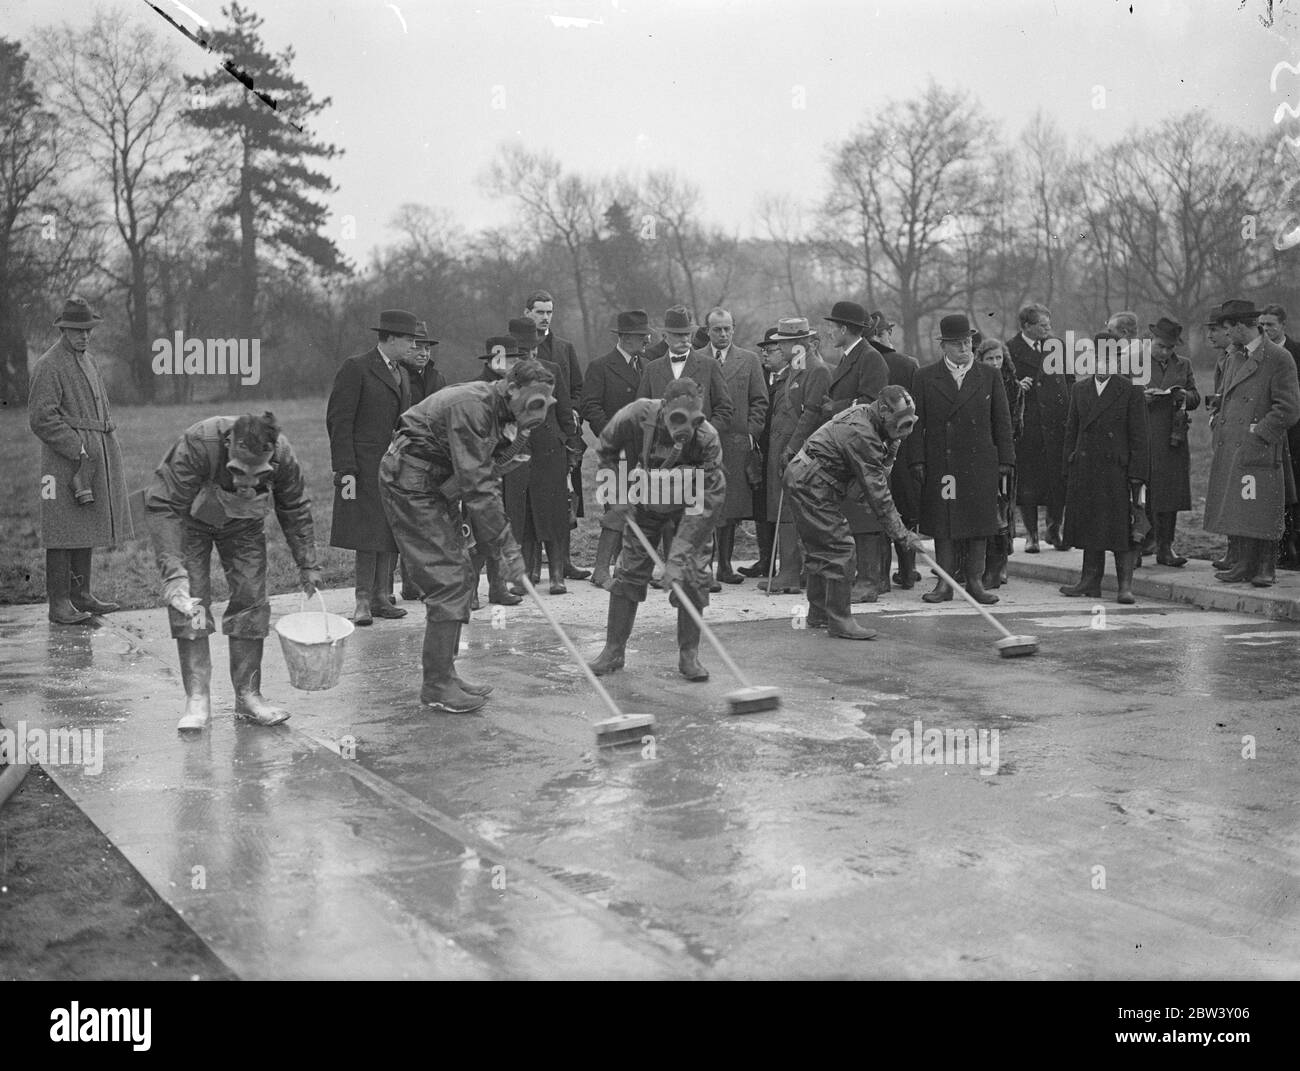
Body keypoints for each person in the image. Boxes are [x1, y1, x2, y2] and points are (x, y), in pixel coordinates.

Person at [379, 359, 554, 712]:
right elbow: (479, 486)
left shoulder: (499, 411)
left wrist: (518, 435)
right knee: (449, 579)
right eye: (535, 401)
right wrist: (509, 551)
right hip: (411, 482)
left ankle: (445, 673)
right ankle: (436, 685)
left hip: (436, 483)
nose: (540, 410)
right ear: (512, 388)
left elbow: (484, 473)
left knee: (459, 571)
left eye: (546, 403)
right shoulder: (472, 406)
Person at [143, 411, 320, 731]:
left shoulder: (282, 455)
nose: (248, 481)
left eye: (258, 474)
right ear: (229, 444)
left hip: (244, 526)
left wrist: (307, 563)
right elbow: (163, 503)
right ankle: (197, 698)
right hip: (191, 525)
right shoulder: (199, 444)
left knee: (252, 599)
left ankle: (249, 696)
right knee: (191, 602)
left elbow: (294, 505)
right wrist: (173, 570)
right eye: (240, 470)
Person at [587, 378, 726, 681]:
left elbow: (706, 505)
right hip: (645, 502)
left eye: (694, 418)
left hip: (690, 506)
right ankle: (613, 651)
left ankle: (689, 655)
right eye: (678, 418)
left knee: (692, 576)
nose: (685, 427)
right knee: (628, 574)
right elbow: (606, 450)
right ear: (664, 408)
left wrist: (677, 560)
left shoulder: (707, 438)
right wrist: (616, 493)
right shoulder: (637, 415)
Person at [784, 387, 925, 640]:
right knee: (840, 549)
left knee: (822, 549)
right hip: (811, 483)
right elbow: (877, 490)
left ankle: (819, 614)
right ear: (883, 410)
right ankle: (840, 621)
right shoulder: (862, 432)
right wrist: (902, 534)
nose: (905, 428)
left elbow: (872, 481)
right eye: (900, 419)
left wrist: (893, 444)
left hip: (809, 478)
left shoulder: (867, 416)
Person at [28, 296, 133, 625]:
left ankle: (80, 595)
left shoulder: (87, 360)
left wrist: (99, 446)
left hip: (91, 453)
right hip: (64, 461)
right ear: (63, 329)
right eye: (77, 330)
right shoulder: (49, 364)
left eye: (88, 329)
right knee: (61, 531)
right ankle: (59, 604)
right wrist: (78, 448)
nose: (84, 336)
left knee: (84, 526)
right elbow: (41, 418)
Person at [907, 315, 1015, 606]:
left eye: (967, 342)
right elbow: (916, 424)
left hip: (980, 463)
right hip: (944, 465)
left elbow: (1002, 421)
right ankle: (945, 583)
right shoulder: (926, 377)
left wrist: (1006, 459)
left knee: (979, 522)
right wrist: (917, 459)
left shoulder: (989, 376)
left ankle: (976, 582)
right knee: (945, 522)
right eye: (957, 343)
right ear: (944, 346)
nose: (964, 348)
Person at [788, 300, 891, 602]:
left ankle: (870, 581)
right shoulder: (851, 357)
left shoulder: (870, 359)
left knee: (865, 513)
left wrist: (835, 407)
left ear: (845, 329)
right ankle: (863, 577)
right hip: (846, 448)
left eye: (833, 327)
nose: (829, 332)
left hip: (863, 449)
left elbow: (875, 405)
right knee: (854, 512)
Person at [327, 309, 415, 625]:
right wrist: (346, 468)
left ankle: (381, 596)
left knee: (391, 528)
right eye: (408, 340)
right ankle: (362, 600)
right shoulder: (357, 368)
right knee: (366, 533)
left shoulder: (403, 374)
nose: (412, 347)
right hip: (363, 466)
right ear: (389, 338)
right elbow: (339, 420)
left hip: (394, 467)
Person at [1204, 300, 1300, 587]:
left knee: (1263, 509)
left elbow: (1289, 408)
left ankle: (1266, 566)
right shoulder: (1235, 358)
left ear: (1239, 326)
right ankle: (1244, 564)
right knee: (1240, 505)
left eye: (1226, 329)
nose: (1224, 336)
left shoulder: (1278, 357)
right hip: (1233, 445)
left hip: (1261, 448)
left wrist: (1259, 435)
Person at [1059, 333, 1150, 605]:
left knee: (1123, 528)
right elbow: (1071, 431)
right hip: (1085, 468)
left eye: (1110, 358)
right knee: (1089, 525)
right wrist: (1070, 464)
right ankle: (1089, 581)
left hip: (1117, 471)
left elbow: (1140, 437)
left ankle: (1125, 586)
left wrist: (1137, 474)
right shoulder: (1079, 389)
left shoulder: (1131, 390)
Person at [500, 317, 582, 595]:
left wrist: (572, 445)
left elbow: (564, 412)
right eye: (520, 352)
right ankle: (527, 574)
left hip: (550, 450)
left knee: (553, 513)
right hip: (517, 451)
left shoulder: (553, 370)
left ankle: (557, 575)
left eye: (531, 349)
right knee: (522, 514)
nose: (528, 356)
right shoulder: (506, 378)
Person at [582, 310, 655, 588]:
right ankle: (601, 570)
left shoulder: (647, 366)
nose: (646, 340)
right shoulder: (600, 367)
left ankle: (626, 567)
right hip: (616, 451)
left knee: (641, 509)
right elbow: (590, 406)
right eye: (640, 336)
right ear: (624, 338)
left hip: (643, 451)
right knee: (616, 508)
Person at [699, 307, 767, 585]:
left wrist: (751, 433)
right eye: (717, 329)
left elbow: (760, 401)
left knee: (730, 509)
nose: (723, 334)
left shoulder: (749, 360)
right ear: (708, 331)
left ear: (733, 329)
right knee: (705, 506)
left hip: (737, 445)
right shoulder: (695, 360)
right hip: (703, 444)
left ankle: (725, 566)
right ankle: (703, 567)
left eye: (727, 328)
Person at [527, 289, 590, 581]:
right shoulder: (518, 347)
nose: (544, 317)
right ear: (528, 313)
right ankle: (532, 567)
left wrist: (572, 411)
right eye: (539, 312)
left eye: (549, 312)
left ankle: (562, 563)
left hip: (559, 436)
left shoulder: (564, 348)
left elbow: (577, 388)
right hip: (526, 438)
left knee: (563, 499)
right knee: (528, 503)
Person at [758, 319, 821, 592]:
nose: (779, 346)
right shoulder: (796, 369)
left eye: (783, 341)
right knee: (784, 511)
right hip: (782, 448)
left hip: (798, 452)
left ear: (799, 343)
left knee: (793, 511)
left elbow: (811, 414)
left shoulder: (814, 370)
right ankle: (790, 571)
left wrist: (792, 447)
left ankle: (792, 574)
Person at [1007, 303, 1070, 553]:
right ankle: (1032, 535)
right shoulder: (1011, 349)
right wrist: (1016, 387)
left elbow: (1069, 380)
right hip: (1028, 426)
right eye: (1043, 325)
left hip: (1056, 424)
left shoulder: (1057, 347)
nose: (1048, 329)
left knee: (1058, 480)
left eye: (1049, 325)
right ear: (1026, 326)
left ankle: (1055, 530)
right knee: (1028, 484)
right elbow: (1001, 384)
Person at [394, 321, 447, 602]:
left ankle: (419, 580)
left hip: (432, 455)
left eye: (426, 347)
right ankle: (403, 582)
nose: (422, 353)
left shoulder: (436, 379)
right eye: (416, 346)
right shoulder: (398, 376)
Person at [1141, 318, 1200, 568]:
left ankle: (1166, 547)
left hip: (1173, 437)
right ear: (1150, 341)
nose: (1165, 351)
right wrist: (1141, 398)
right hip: (1144, 435)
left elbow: (1195, 396)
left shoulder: (1183, 365)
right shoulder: (1135, 364)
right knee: (1142, 492)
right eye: (1160, 346)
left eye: (1170, 348)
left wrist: (1185, 395)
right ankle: (1142, 541)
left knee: (1170, 493)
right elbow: (1120, 395)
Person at [870, 311, 922, 592]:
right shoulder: (908, 364)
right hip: (905, 448)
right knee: (905, 509)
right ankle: (908, 570)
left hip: (873, 448)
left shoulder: (865, 363)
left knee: (878, 509)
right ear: (884, 333)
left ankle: (879, 574)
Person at [975, 338, 1023, 589]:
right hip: (979, 455)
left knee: (1003, 511)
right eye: (989, 358)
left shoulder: (1013, 387)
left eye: (998, 358)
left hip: (1003, 455)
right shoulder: (976, 382)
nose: (995, 363)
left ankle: (1000, 564)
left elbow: (1015, 425)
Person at [1258, 304, 1300, 567]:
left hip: (1296, 433)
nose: (1266, 330)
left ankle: (1295, 547)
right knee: (1276, 490)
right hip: (1272, 432)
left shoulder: (1296, 352)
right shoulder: (1259, 354)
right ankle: (1281, 548)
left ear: (1283, 325)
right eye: (1262, 325)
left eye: (1271, 325)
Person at [743, 325, 783, 580]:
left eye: (770, 350)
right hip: (761, 449)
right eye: (763, 351)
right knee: (760, 504)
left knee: (779, 506)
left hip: (780, 450)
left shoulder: (793, 378)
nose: (765, 355)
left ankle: (784, 561)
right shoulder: (761, 376)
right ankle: (765, 560)